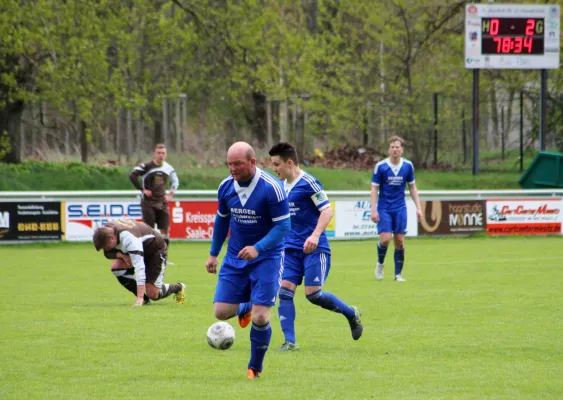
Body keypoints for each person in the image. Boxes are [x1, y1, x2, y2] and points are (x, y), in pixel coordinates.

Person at [205, 141, 291, 380]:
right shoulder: (225, 187)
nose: (233, 168)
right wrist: (214, 253)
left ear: (252, 162)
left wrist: (258, 248)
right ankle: (245, 308)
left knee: (262, 315)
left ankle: (255, 367)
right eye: (230, 164)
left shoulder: (271, 188)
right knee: (221, 312)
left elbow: (284, 226)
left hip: (268, 256)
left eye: (238, 164)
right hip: (235, 257)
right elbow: (222, 220)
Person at [266, 142, 364, 352]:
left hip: (314, 249)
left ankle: (351, 313)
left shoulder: (309, 182)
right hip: (290, 249)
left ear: (289, 162)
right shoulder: (280, 186)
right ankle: (290, 342)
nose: (274, 169)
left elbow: (327, 211)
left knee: (313, 295)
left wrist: (315, 235)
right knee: (284, 293)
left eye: (276, 165)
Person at [93, 219, 186, 306]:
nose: (106, 250)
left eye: (106, 247)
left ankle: (178, 287)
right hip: (140, 250)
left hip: (155, 251)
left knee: (153, 294)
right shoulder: (107, 231)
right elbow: (107, 254)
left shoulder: (129, 238)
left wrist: (139, 298)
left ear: (112, 238)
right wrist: (122, 255)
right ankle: (145, 300)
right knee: (116, 266)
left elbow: (139, 268)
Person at [371, 136, 422, 282]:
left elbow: (412, 187)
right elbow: (374, 189)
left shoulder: (407, 166)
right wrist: (373, 210)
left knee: (399, 241)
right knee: (386, 239)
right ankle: (380, 264)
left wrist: (418, 207)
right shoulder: (381, 166)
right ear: (389, 149)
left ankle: (397, 275)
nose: (395, 149)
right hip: (384, 207)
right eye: (392, 147)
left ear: (402, 150)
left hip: (400, 207)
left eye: (397, 147)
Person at [129, 144, 179, 248]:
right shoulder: (146, 166)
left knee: (165, 230)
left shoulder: (168, 168)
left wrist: (170, 195)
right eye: (159, 153)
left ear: (166, 155)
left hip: (162, 202)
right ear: (154, 154)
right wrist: (142, 190)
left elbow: (175, 182)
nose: (161, 155)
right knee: (148, 230)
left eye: (163, 153)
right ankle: (149, 256)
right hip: (148, 203)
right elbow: (132, 176)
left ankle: (163, 256)